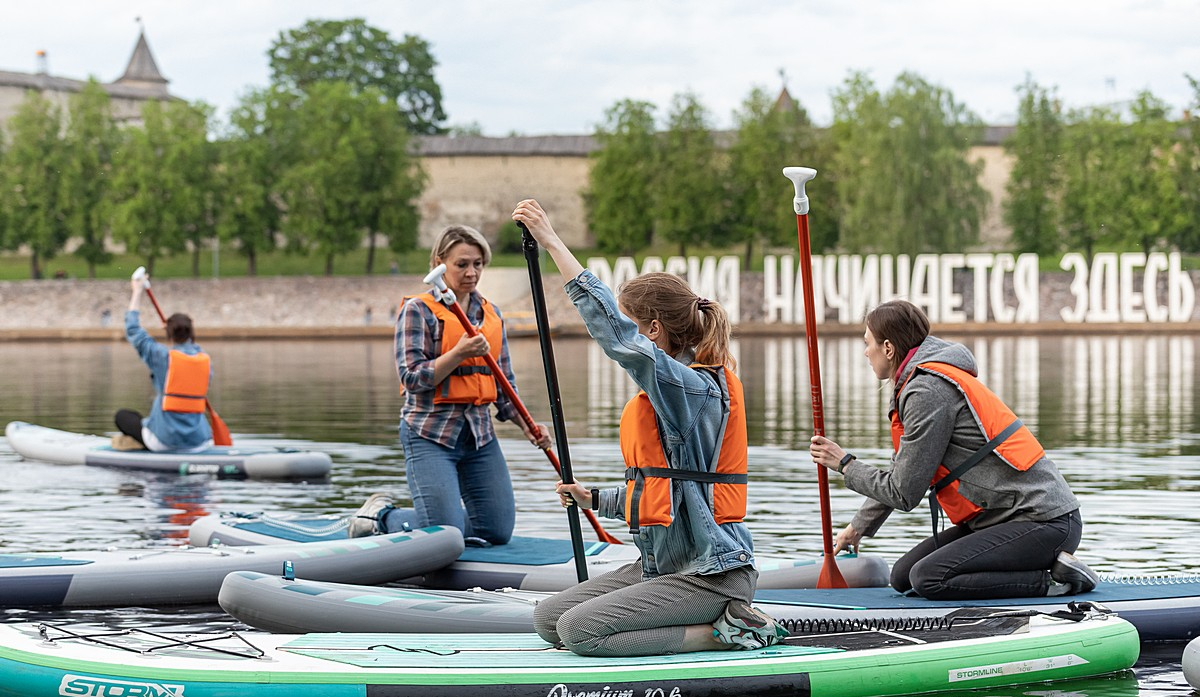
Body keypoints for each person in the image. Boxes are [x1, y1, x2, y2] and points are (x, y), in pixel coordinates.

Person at [512, 198, 788, 657]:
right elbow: (664, 493)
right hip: (664, 566)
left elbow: (619, 339)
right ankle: (713, 624)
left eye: (637, 323)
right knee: (549, 621)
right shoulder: (671, 393)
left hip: (712, 574)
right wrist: (593, 498)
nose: (632, 334)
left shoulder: (693, 389)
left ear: (654, 330)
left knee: (582, 631)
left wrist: (552, 242)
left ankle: (729, 630)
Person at [808, 299, 1097, 600]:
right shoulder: (917, 383)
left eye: (868, 343)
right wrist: (858, 528)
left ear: (889, 348)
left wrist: (845, 464)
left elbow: (904, 493)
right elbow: (903, 471)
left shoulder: (926, 391)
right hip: (1000, 518)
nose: (866, 352)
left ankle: (1053, 581)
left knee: (929, 577)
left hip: (1043, 521)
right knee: (903, 576)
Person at [351, 224, 551, 545]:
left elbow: (503, 385)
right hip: (429, 434)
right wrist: (458, 354)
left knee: (496, 531)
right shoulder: (417, 310)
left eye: (478, 264)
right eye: (462, 264)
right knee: (446, 536)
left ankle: (444, 520)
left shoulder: (491, 314)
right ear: (439, 263)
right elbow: (412, 378)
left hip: (479, 436)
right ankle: (380, 517)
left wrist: (527, 425)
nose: (471, 272)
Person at [117, 274, 214, 453]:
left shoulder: (162, 357)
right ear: (192, 333)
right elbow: (189, 350)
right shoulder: (205, 361)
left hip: (165, 442)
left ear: (169, 334)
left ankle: (140, 445)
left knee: (123, 416)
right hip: (199, 441)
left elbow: (133, 329)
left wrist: (137, 291)